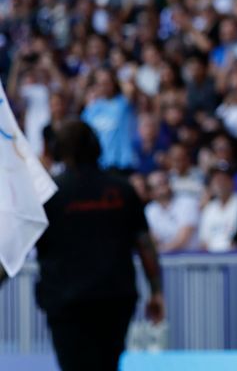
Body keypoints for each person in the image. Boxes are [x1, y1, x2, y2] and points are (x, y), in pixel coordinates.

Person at [31, 120, 162, 371]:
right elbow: (145, 245)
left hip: (66, 302)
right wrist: (157, 291)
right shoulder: (122, 190)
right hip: (114, 299)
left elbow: (17, 245)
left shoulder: (47, 193)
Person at [144, 170, 199, 252]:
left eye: (165, 182)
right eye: (159, 184)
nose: (165, 186)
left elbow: (183, 239)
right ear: (151, 192)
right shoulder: (150, 210)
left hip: (191, 257)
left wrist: (162, 251)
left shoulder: (187, 202)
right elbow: (152, 238)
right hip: (165, 258)